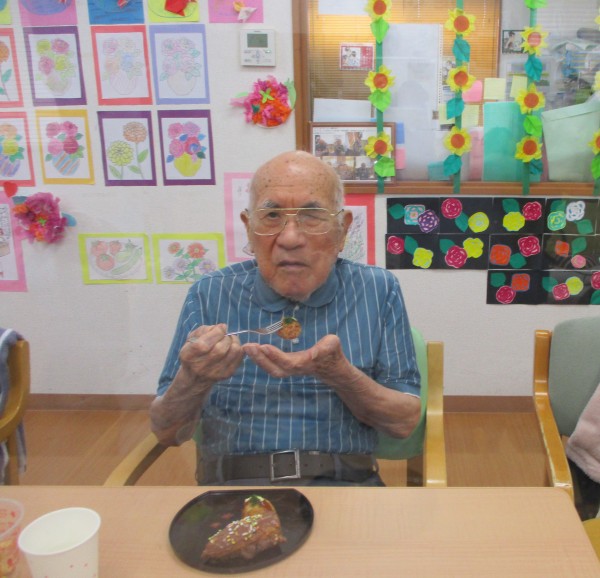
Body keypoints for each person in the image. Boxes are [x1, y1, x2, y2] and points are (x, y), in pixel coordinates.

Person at [150, 150, 421, 486]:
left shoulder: (378, 290)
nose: (290, 238)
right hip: (233, 488)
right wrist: (193, 381)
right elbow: (167, 432)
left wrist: (340, 374)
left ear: (342, 230)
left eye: (312, 216)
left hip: (346, 486)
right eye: (272, 215)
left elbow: (403, 423)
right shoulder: (210, 294)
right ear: (249, 229)